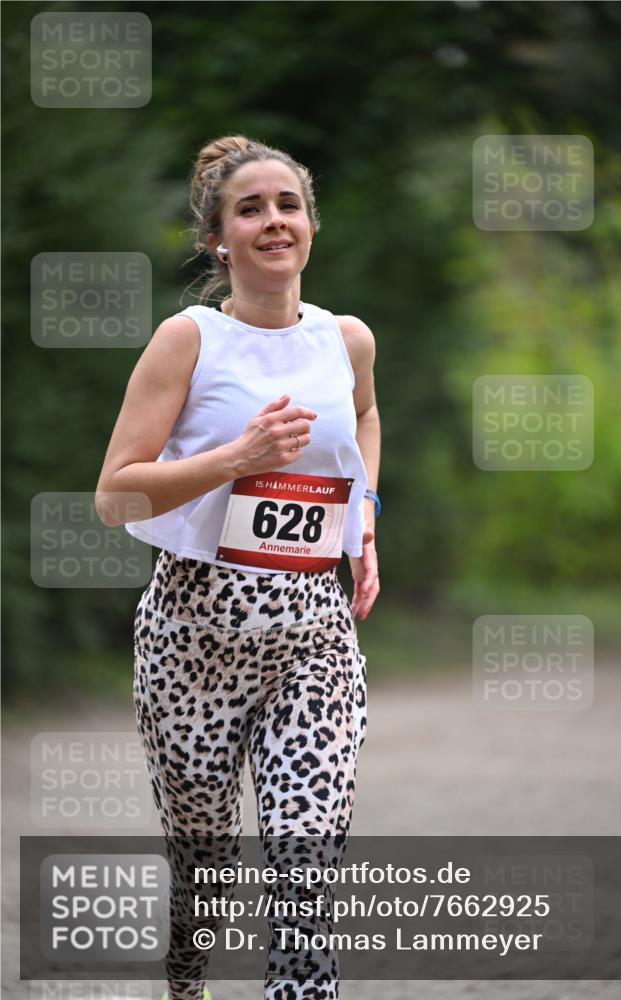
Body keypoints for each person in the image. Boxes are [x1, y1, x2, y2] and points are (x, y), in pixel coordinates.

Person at [95, 134, 381, 1000]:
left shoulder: (347, 339)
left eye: (286, 205)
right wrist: (236, 457)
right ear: (217, 239)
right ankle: (188, 978)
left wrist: (363, 515)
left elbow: (363, 422)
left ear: (311, 225)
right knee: (206, 868)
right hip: (194, 639)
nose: (272, 221)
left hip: (312, 635)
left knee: (303, 865)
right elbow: (115, 497)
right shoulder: (189, 340)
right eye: (249, 209)